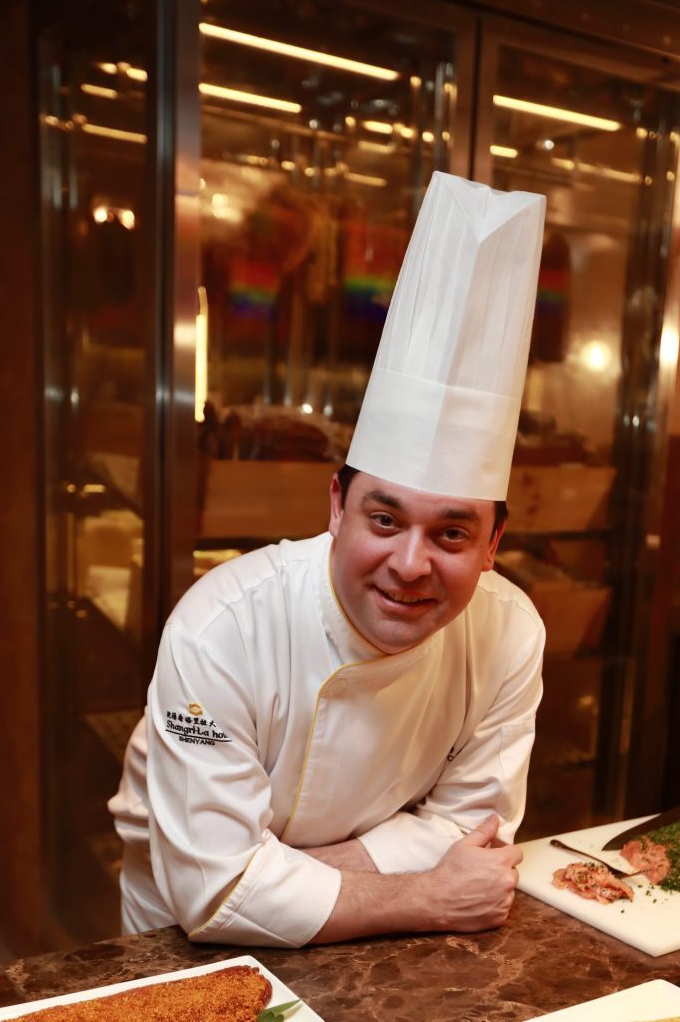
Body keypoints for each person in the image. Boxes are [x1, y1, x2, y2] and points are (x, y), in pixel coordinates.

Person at [109, 172, 547, 948]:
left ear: (492, 547)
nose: (409, 564)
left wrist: (278, 874)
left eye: (451, 533)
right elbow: (211, 895)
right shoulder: (222, 627)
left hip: (376, 952)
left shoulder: (509, 631)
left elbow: (471, 828)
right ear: (336, 507)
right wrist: (422, 895)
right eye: (384, 518)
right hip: (180, 952)